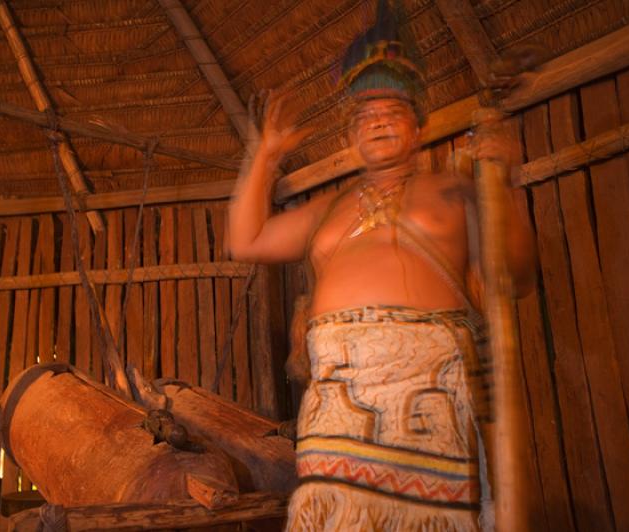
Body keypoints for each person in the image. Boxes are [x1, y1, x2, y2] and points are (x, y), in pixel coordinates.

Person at [228, 3, 536, 530]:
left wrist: (502, 181)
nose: (377, 121)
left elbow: (516, 276)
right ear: (351, 137)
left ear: (418, 127)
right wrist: (265, 155)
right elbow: (246, 240)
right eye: (365, 115)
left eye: (392, 111)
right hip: (337, 406)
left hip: (429, 396)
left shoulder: (456, 189)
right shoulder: (329, 208)